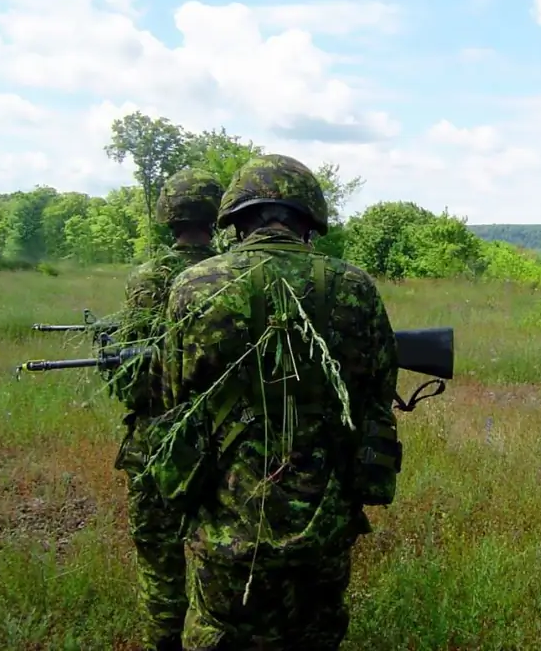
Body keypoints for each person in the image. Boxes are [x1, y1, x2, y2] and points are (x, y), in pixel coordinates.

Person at [154, 154, 401, 651]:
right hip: (324, 524)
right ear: (309, 220)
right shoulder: (354, 287)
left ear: (237, 221)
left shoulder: (193, 286)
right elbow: (378, 394)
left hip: (228, 527)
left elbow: (174, 400)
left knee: (218, 634)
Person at [113, 167, 225, 651]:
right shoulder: (229, 272)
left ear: (167, 216)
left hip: (157, 445)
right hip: (224, 444)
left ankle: (165, 640)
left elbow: (134, 385)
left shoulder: (149, 278)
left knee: (160, 564)